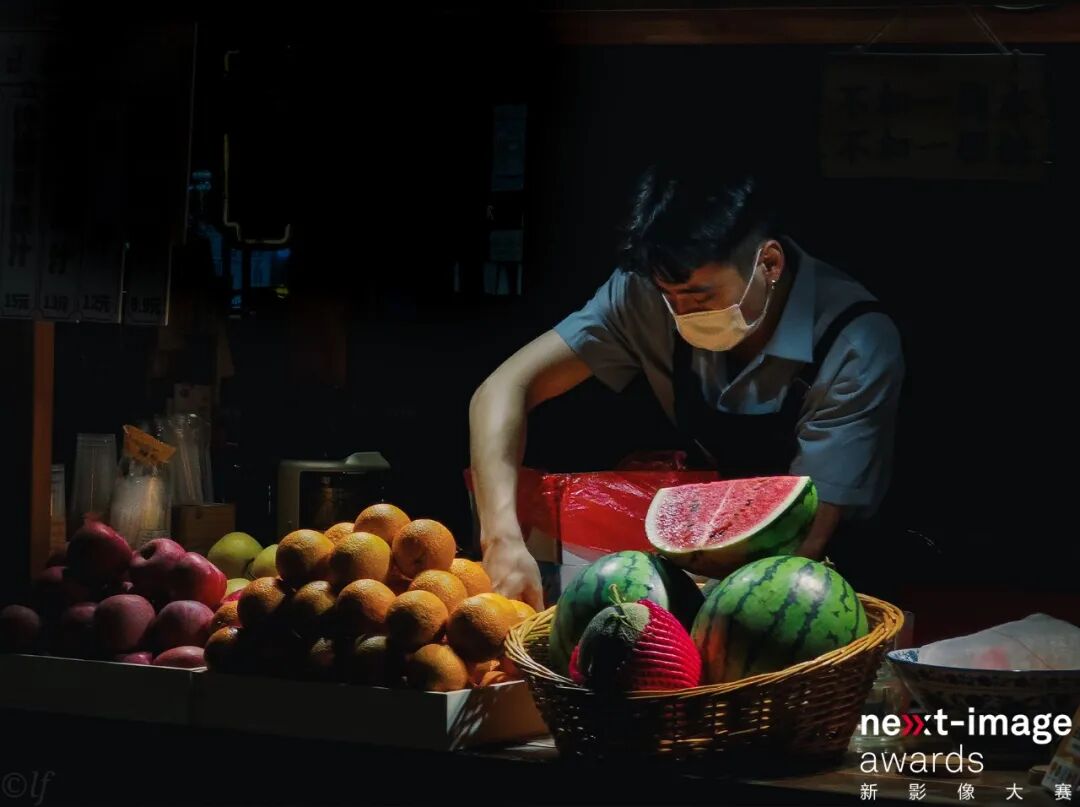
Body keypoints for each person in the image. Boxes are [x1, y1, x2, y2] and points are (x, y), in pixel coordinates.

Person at [469, 164, 905, 609]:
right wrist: (501, 537)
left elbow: (807, 534)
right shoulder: (646, 292)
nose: (682, 313)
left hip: (822, 587)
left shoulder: (854, 343)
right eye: (669, 297)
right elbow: (504, 387)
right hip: (701, 568)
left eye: (701, 298)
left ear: (769, 263)